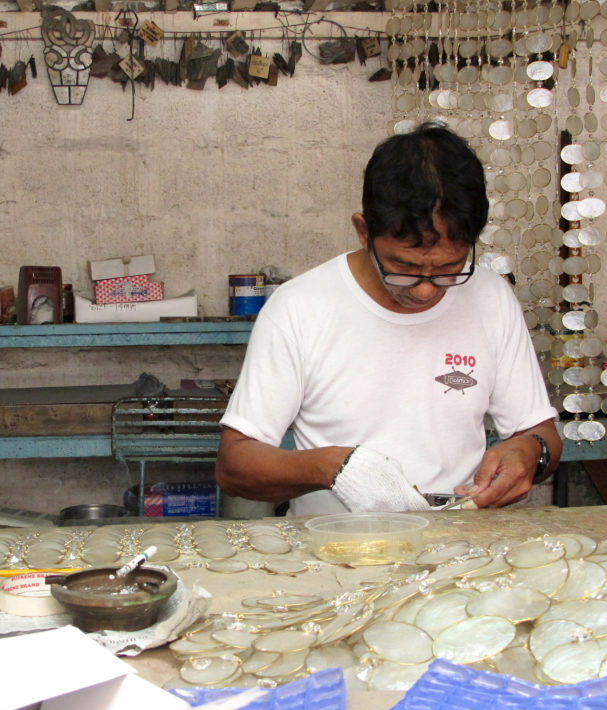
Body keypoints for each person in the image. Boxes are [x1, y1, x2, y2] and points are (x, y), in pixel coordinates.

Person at [215, 121, 562, 516]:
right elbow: (235, 465)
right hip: (334, 548)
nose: (426, 290)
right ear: (364, 232)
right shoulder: (299, 308)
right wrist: (336, 468)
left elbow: (541, 433)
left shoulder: (491, 298)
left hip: (459, 545)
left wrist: (530, 451)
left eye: (449, 268)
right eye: (405, 268)